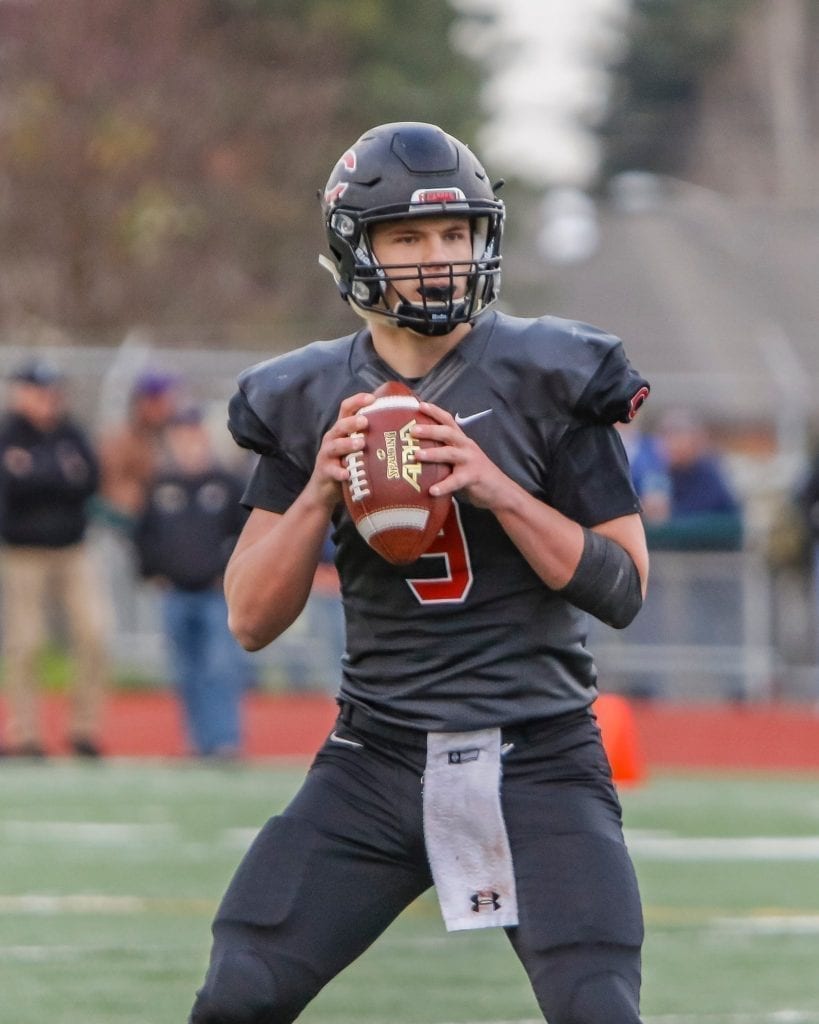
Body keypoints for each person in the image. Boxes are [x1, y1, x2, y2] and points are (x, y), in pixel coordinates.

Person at [189, 122, 651, 1024]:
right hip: (377, 756)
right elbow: (248, 618)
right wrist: (320, 489)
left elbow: (624, 586)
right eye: (407, 237)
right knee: (238, 992)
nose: (438, 259)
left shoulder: (552, 375)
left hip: (541, 753)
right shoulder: (306, 398)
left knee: (598, 1007)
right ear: (356, 250)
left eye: (455, 234)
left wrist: (498, 492)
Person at [0, 358, 110, 758]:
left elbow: (89, 481)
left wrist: (35, 476)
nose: (49, 400)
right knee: (26, 643)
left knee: (95, 632)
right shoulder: (9, 434)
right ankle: (23, 735)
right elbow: (19, 488)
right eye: (40, 391)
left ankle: (84, 730)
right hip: (23, 553)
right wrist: (52, 477)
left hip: (72, 549)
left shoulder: (71, 433)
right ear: (21, 392)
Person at [133, 405, 250, 758]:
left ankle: (226, 740)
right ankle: (198, 742)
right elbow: (143, 535)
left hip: (216, 594)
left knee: (220, 667)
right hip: (176, 592)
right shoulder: (160, 485)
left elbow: (246, 534)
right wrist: (152, 572)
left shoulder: (226, 485)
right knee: (186, 670)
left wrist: (230, 573)